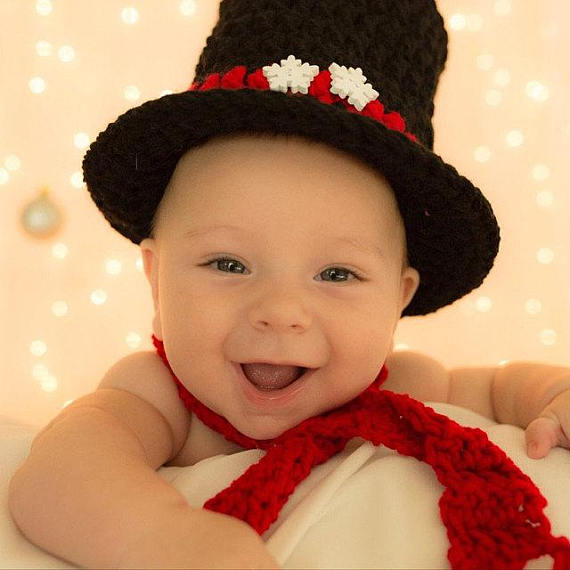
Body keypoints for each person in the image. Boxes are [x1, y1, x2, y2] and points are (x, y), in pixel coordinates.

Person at [8, 1, 570, 569]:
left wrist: (555, 397)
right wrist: (165, 538)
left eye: (336, 274)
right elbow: (59, 473)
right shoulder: (158, 399)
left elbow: (505, 390)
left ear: (397, 300)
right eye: (228, 264)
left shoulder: (402, 387)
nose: (280, 311)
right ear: (156, 282)